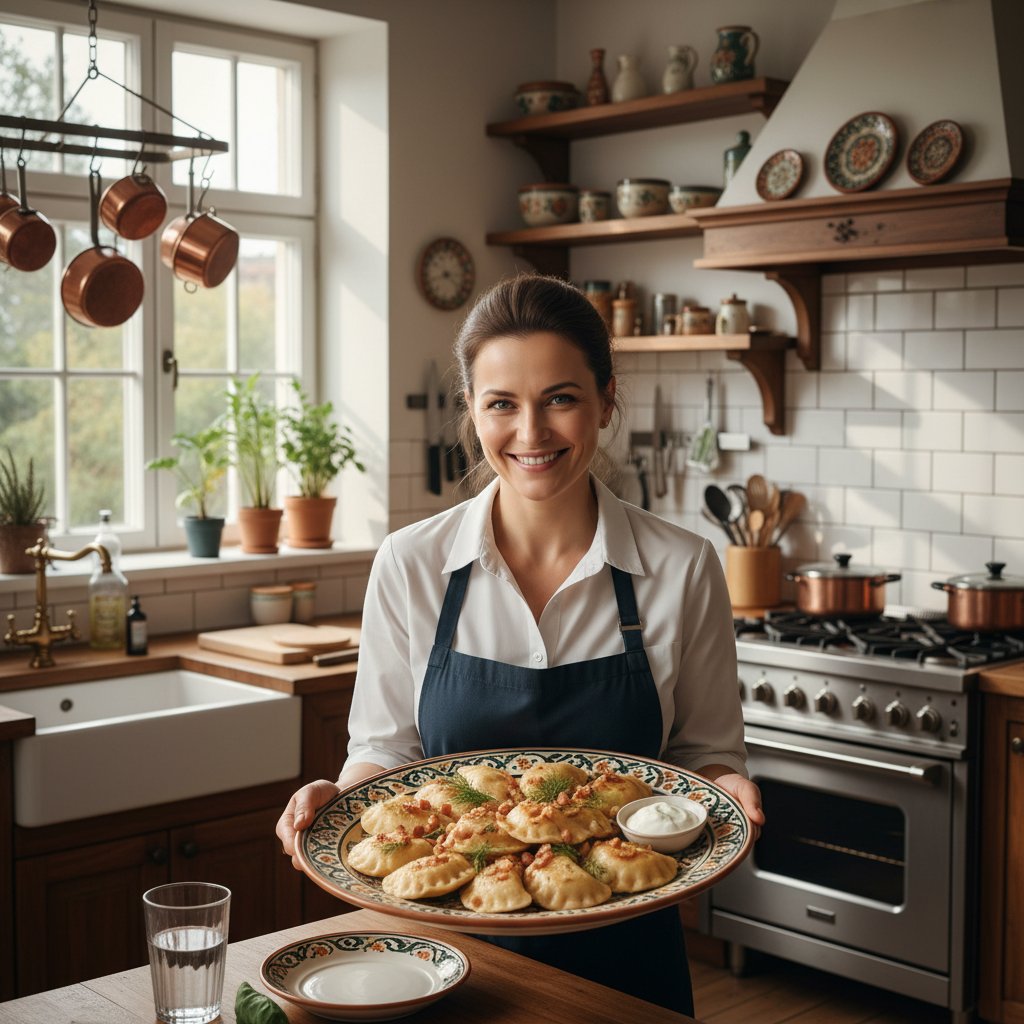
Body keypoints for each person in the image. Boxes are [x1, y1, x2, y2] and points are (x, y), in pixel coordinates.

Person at [276, 273, 764, 1014]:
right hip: (435, 964)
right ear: (471, 410)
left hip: (627, 966)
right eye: (502, 403)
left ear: (606, 399)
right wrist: (336, 802)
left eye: (561, 399)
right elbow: (387, 754)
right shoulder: (411, 565)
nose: (531, 434)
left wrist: (727, 792)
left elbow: (705, 757)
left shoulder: (682, 566)